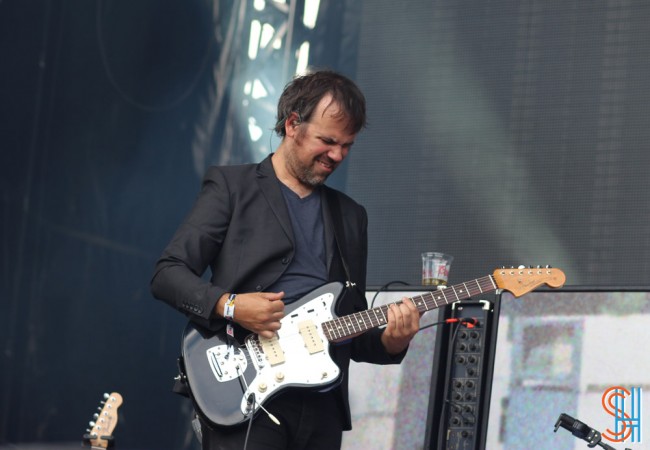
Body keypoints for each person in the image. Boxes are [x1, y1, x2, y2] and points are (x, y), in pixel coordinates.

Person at [150, 69, 422, 450]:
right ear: (293, 124)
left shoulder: (351, 216)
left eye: (347, 145)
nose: (337, 155)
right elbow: (167, 274)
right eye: (328, 141)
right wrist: (231, 305)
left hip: (322, 408)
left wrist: (392, 341)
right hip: (248, 392)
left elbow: (352, 331)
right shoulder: (233, 187)